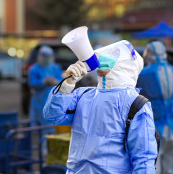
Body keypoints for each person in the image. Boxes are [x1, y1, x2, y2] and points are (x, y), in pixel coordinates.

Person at [44, 40, 157, 174]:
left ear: (125, 65)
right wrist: (66, 85)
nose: (103, 59)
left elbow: (143, 160)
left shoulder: (136, 104)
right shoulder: (83, 95)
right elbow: (52, 116)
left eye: (113, 56)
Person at [137, 41, 173, 174]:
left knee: (153, 166)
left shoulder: (143, 74)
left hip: (153, 127)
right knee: (170, 166)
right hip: (172, 125)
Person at [29, 45, 63, 126]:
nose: (47, 59)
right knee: (40, 123)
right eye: (45, 57)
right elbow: (31, 84)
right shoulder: (34, 69)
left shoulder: (55, 68)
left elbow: (62, 81)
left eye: (49, 57)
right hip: (39, 101)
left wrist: (56, 82)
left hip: (53, 100)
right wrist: (44, 82)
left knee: (52, 124)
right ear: (40, 56)